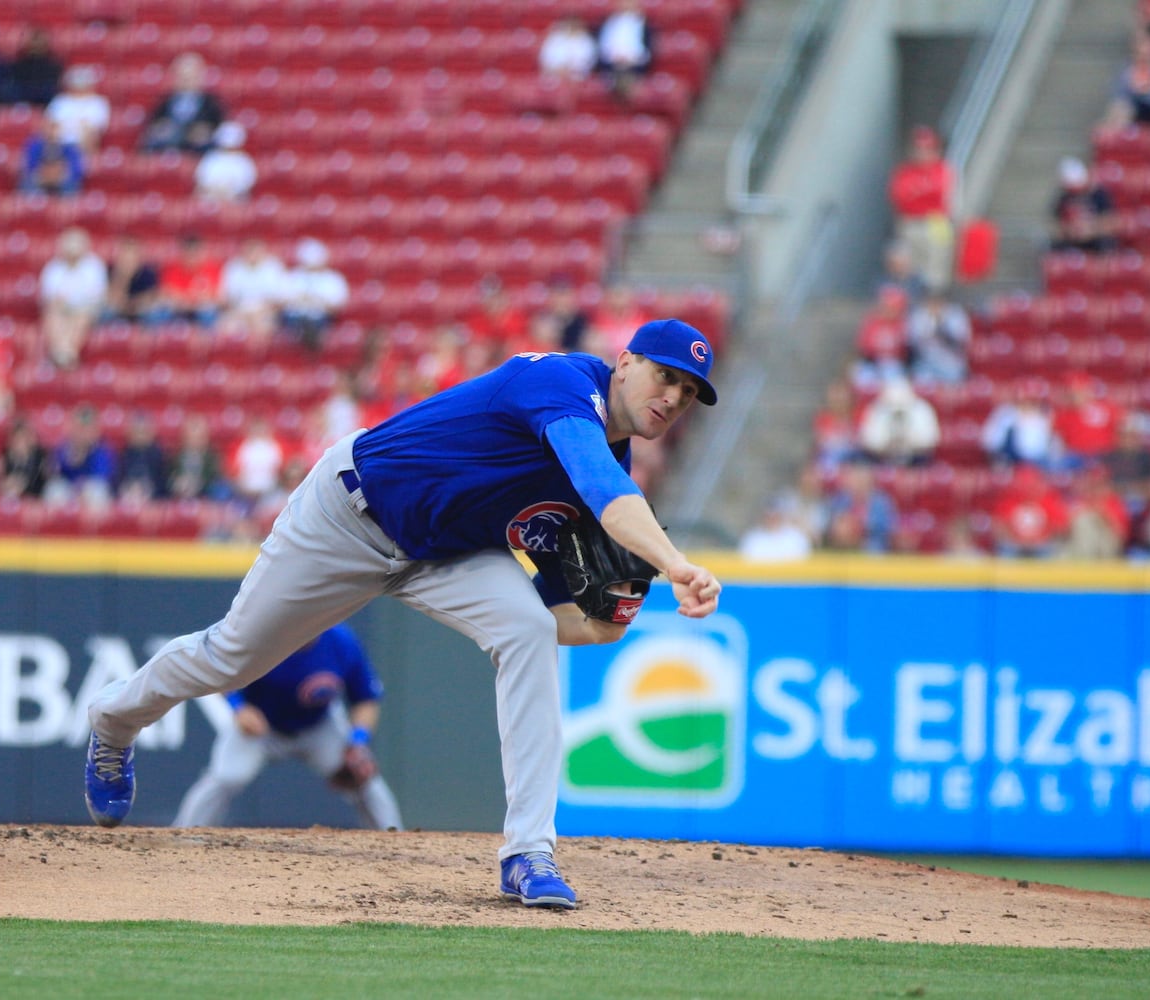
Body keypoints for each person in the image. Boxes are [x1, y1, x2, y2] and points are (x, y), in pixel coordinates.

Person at [80, 318, 724, 913]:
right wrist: (675, 565)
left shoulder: (613, 469)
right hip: (349, 517)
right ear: (625, 361)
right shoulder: (557, 382)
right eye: (665, 375)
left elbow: (563, 616)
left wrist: (607, 626)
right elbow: (607, 494)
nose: (672, 397)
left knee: (527, 632)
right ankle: (113, 720)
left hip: (449, 554)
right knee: (231, 656)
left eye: (688, 393)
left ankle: (529, 851)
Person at [171, 622, 404, 832]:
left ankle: (395, 842)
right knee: (226, 777)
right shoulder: (265, 639)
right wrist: (239, 708)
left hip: (319, 728)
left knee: (365, 781)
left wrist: (358, 741)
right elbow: (221, 674)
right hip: (262, 727)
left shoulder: (341, 641)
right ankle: (182, 834)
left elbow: (366, 699)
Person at [887, 126, 957, 290]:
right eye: (918, 149)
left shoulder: (943, 169)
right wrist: (923, 191)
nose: (922, 153)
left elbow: (942, 195)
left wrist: (919, 191)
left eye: (927, 149)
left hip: (937, 222)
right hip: (911, 222)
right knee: (910, 265)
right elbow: (900, 197)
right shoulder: (905, 171)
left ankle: (935, 301)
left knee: (937, 263)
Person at [39, 227, 107, 368]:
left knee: (81, 316)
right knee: (53, 316)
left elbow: (96, 295)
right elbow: (48, 296)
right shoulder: (54, 267)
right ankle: (62, 353)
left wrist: (74, 304)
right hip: (60, 309)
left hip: (86, 308)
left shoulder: (94, 266)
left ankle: (67, 353)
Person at [140, 52, 225, 154]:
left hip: (198, 151)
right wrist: (162, 129)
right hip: (169, 147)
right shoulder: (164, 102)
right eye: (182, 76)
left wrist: (206, 132)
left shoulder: (212, 104)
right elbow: (152, 126)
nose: (186, 80)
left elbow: (221, 128)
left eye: (190, 76)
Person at [279, 238, 349, 348]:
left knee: (314, 326)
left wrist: (316, 301)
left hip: (321, 318)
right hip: (294, 318)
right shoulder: (293, 276)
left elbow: (337, 306)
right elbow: (282, 302)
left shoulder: (333, 279)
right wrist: (301, 300)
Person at [44, 407, 116, 509]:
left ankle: (94, 525)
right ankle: (58, 524)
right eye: (80, 428)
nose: (84, 433)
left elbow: (104, 476)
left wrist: (87, 455)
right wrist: (69, 461)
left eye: (88, 428)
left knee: (98, 490)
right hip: (69, 488)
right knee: (55, 489)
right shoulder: (64, 447)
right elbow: (53, 472)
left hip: (89, 489)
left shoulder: (102, 448)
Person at [1050, 157, 1116, 253]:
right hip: (1071, 240)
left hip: (1095, 239)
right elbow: (1054, 224)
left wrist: (1091, 230)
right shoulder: (1064, 198)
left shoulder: (1099, 195)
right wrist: (1070, 230)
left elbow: (1112, 222)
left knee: (1106, 244)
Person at [905, 292, 971, 385]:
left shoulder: (955, 314)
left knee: (953, 380)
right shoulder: (918, 314)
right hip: (925, 362)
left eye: (938, 301)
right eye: (931, 301)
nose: (934, 305)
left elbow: (960, 341)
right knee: (922, 381)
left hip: (950, 362)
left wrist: (940, 325)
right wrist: (930, 326)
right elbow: (912, 343)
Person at [595, 0, 653, 102]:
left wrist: (631, 60)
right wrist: (616, 59)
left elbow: (649, 51)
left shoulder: (644, 24)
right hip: (611, 67)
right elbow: (602, 48)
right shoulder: (609, 23)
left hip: (636, 68)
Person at [46, 66, 110, 157]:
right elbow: (50, 125)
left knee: (88, 139)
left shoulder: (98, 102)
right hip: (59, 142)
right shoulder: (60, 101)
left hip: (83, 142)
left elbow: (96, 128)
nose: (79, 87)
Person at [21, 114, 86, 196]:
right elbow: (29, 168)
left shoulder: (69, 147)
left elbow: (76, 171)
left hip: (62, 179)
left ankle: (67, 208)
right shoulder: (35, 145)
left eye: (54, 128)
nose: (51, 131)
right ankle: (33, 207)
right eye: (49, 128)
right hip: (41, 178)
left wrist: (60, 174)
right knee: (28, 184)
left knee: (70, 186)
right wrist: (44, 174)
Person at [194, 122, 257, 202]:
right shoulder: (211, 158)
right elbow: (201, 182)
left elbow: (247, 184)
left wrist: (229, 192)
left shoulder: (244, 160)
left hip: (234, 199)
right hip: (211, 197)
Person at [7, 29, 64, 106]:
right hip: (21, 103)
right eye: (34, 41)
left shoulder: (54, 65)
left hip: (47, 103)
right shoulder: (18, 65)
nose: (36, 45)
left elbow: (54, 89)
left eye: (39, 41)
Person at [538, 17, 597, 83]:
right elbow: (545, 59)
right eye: (568, 25)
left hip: (578, 77)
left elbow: (589, 61)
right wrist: (559, 69)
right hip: (554, 76)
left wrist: (571, 69)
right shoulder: (554, 38)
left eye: (573, 24)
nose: (570, 27)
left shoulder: (586, 39)